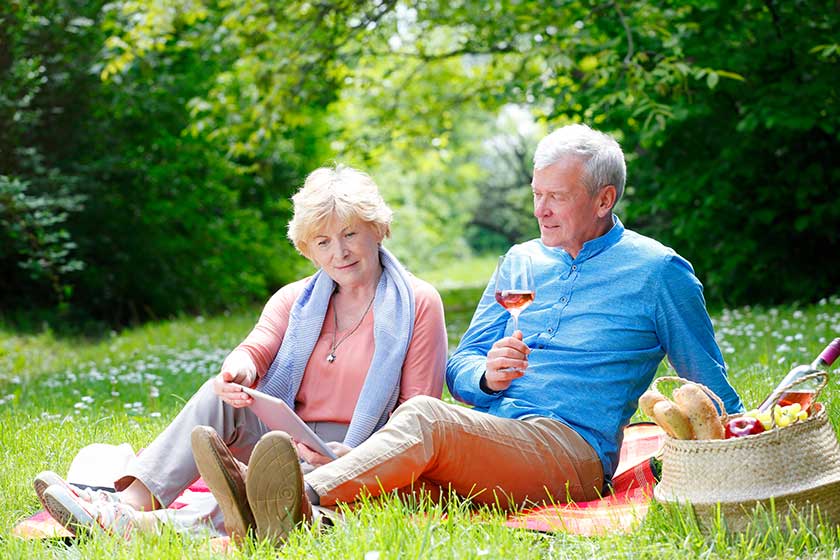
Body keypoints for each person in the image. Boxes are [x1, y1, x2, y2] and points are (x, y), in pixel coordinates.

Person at [190, 123, 745, 545]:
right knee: (394, 469)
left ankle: (293, 498)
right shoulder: (521, 260)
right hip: (490, 435)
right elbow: (462, 365)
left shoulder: (658, 272)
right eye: (536, 193)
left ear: (604, 200)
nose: (540, 211)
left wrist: (749, 434)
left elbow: (710, 387)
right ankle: (262, 510)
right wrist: (485, 374)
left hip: (571, 451)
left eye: (557, 197)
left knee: (421, 419)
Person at [36, 164, 448, 537]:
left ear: (377, 228)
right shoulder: (295, 300)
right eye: (323, 241)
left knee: (278, 483)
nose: (338, 252)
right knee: (219, 396)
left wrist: (355, 456)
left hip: (361, 452)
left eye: (350, 234)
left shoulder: (418, 302)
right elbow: (254, 350)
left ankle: (149, 526)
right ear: (307, 248)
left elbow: (417, 416)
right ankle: (129, 504)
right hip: (285, 434)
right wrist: (238, 370)